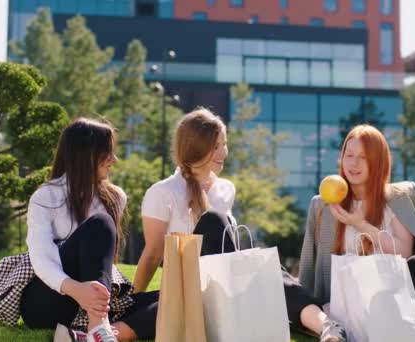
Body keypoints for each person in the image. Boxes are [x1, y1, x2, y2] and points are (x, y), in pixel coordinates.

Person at [133, 107, 347, 341]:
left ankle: (327, 328)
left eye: (225, 144)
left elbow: (228, 246)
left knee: (272, 275)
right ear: (195, 146)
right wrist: (133, 300)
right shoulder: (163, 193)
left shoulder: (225, 189)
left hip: (228, 282)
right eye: (215, 146)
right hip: (192, 289)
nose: (223, 152)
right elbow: (153, 254)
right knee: (214, 221)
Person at [299, 124, 415, 342]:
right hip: (364, 301)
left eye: (363, 157)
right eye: (349, 155)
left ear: (378, 161)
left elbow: (404, 253)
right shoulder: (326, 206)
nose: (354, 163)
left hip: (407, 294)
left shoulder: (396, 198)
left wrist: (362, 225)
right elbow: (316, 267)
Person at [21, 118, 158, 342]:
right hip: (49, 300)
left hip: (94, 301)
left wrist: (93, 298)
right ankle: (98, 325)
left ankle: (99, 335)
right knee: (100, 224)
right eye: (107, 152)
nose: (114, 160)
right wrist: (77, 290)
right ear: (85, 154)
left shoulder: (115, 197)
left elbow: (101, 264)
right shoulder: (45, 196)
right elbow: (41, 259)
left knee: (176, 298)